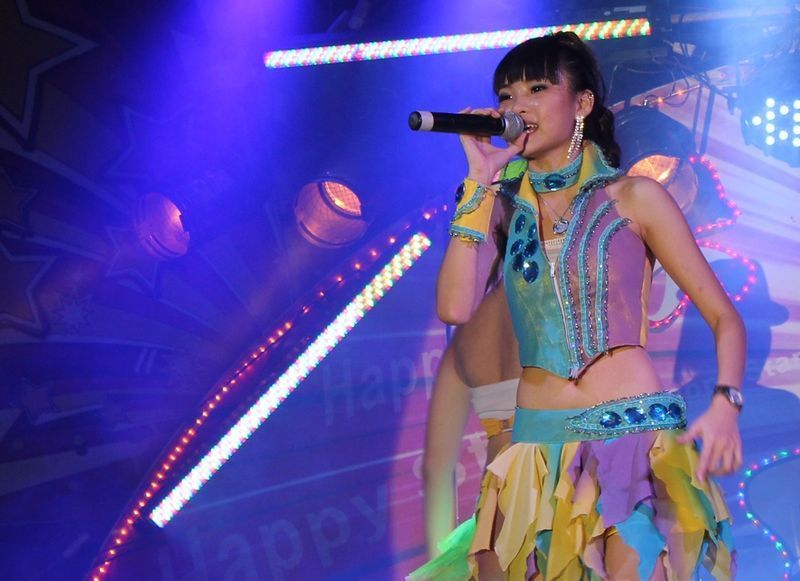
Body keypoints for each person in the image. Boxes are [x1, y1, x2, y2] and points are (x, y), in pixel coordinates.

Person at [437, 31, 745, 579]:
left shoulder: (635, 198)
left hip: (634, 441)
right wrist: (478, 180)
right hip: (535, 453)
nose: (518, 106)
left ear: (581, 103)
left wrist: (726, 402)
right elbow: (455, 308)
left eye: (537, 88)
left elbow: (724, 317)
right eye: (506, 96)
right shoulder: (499, 207)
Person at [410, 206, 522, 581]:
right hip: (561, 506)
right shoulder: (560, 309)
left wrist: (444, 568)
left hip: (494, 529)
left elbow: (435, 471)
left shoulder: (464, 339)